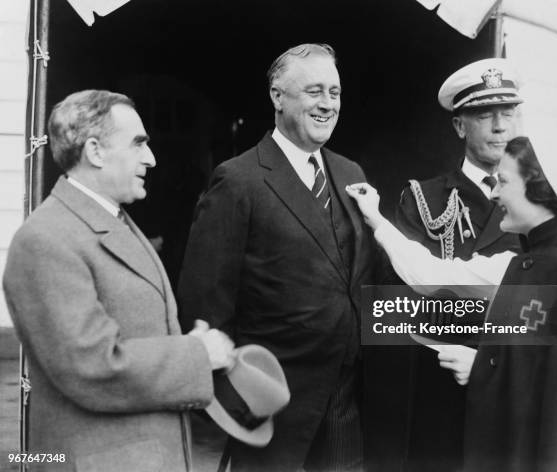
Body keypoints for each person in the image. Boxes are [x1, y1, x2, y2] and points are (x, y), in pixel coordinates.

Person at [347, 135, 557, 471]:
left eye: (503, 181)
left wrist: (486, 371)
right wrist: (485, 365)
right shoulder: (535, 261)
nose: (494, 192)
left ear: (537, 187)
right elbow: (537, 368)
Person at [2, 90, 235, 472]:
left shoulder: (110, 221)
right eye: (138, 144)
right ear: (95, 151)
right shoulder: (45, 239)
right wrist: (197, 355)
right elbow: (91, 366)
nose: (152, 158)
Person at [178, 43, 380, 472]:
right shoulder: (238, 180)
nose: (327, 104)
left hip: (345, 403)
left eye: (335, 92)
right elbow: (205, 303)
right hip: (273, 407)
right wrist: (235, 403)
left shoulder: (350, 175)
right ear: (277, 97)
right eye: (314, 91)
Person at [363, 58, 522, 472]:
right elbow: (402, 306)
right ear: (459, 126)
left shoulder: (535, 204)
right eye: (485, 116)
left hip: (509, 389)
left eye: (507, 114)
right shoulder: (424, 200)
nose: (500, 127)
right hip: (437, 390)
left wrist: (491, 361)